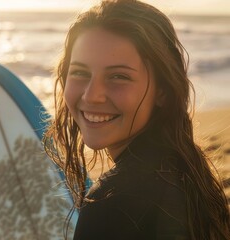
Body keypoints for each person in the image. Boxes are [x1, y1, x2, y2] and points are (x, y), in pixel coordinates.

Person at [43, 0, 230, 239]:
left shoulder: (112, 205)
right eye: (80, 72)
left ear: (162, 89)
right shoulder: (190, 172)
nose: (92, 95)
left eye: (118, 76)